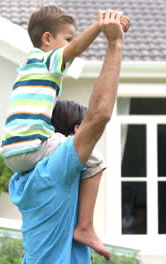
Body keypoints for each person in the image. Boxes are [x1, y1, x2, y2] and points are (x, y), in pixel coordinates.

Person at [9, 9, 126, 263]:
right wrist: (112, 40)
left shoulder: (23, 180)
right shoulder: (54, 171)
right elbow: (100, 116)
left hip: (17, 150)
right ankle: (86, 227)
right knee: (96, 159)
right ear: (75, 132)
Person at [50, 100, 109, 259]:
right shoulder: (67, 172)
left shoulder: (31, 174)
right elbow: (95, 160)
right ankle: (85, 227)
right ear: (78, 130)